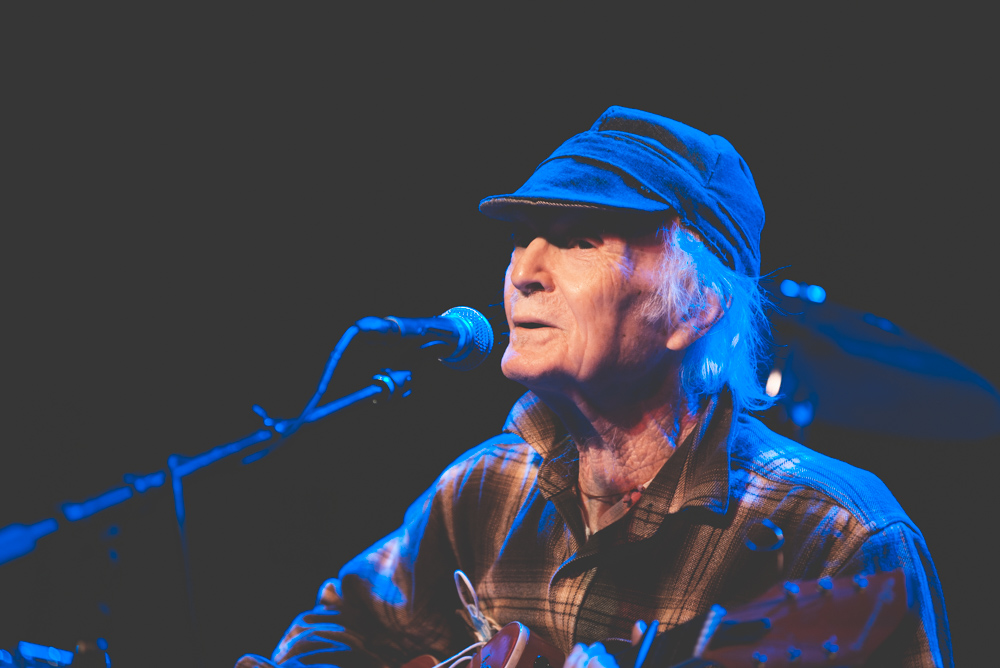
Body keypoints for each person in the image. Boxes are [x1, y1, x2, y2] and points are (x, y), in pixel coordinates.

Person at [235, 106, 952, 668]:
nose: (524, 271)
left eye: (581, 239)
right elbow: (339, 632)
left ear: (696, 305)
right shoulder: (485, 485)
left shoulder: (836, 538)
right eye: (524, 237)